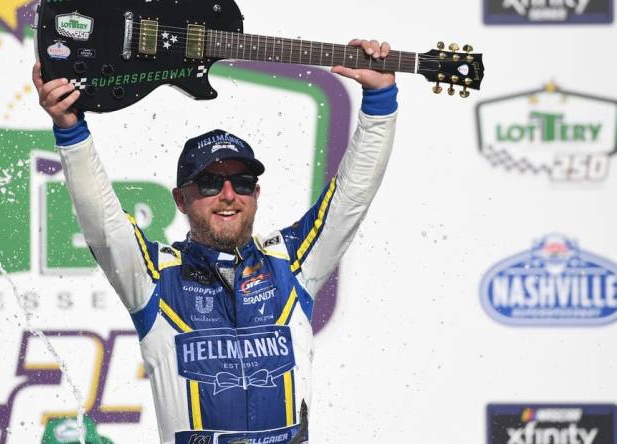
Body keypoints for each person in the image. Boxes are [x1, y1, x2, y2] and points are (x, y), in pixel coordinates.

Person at [33, 38, 397, 444]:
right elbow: (102, 221)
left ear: (256, 194)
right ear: (181, 200)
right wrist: (70, 128)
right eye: (209, 182)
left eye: (241, 182)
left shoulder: (291, 263)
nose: (228, 194)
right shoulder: (154, 276)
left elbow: (352, 196)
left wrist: (380, 99)